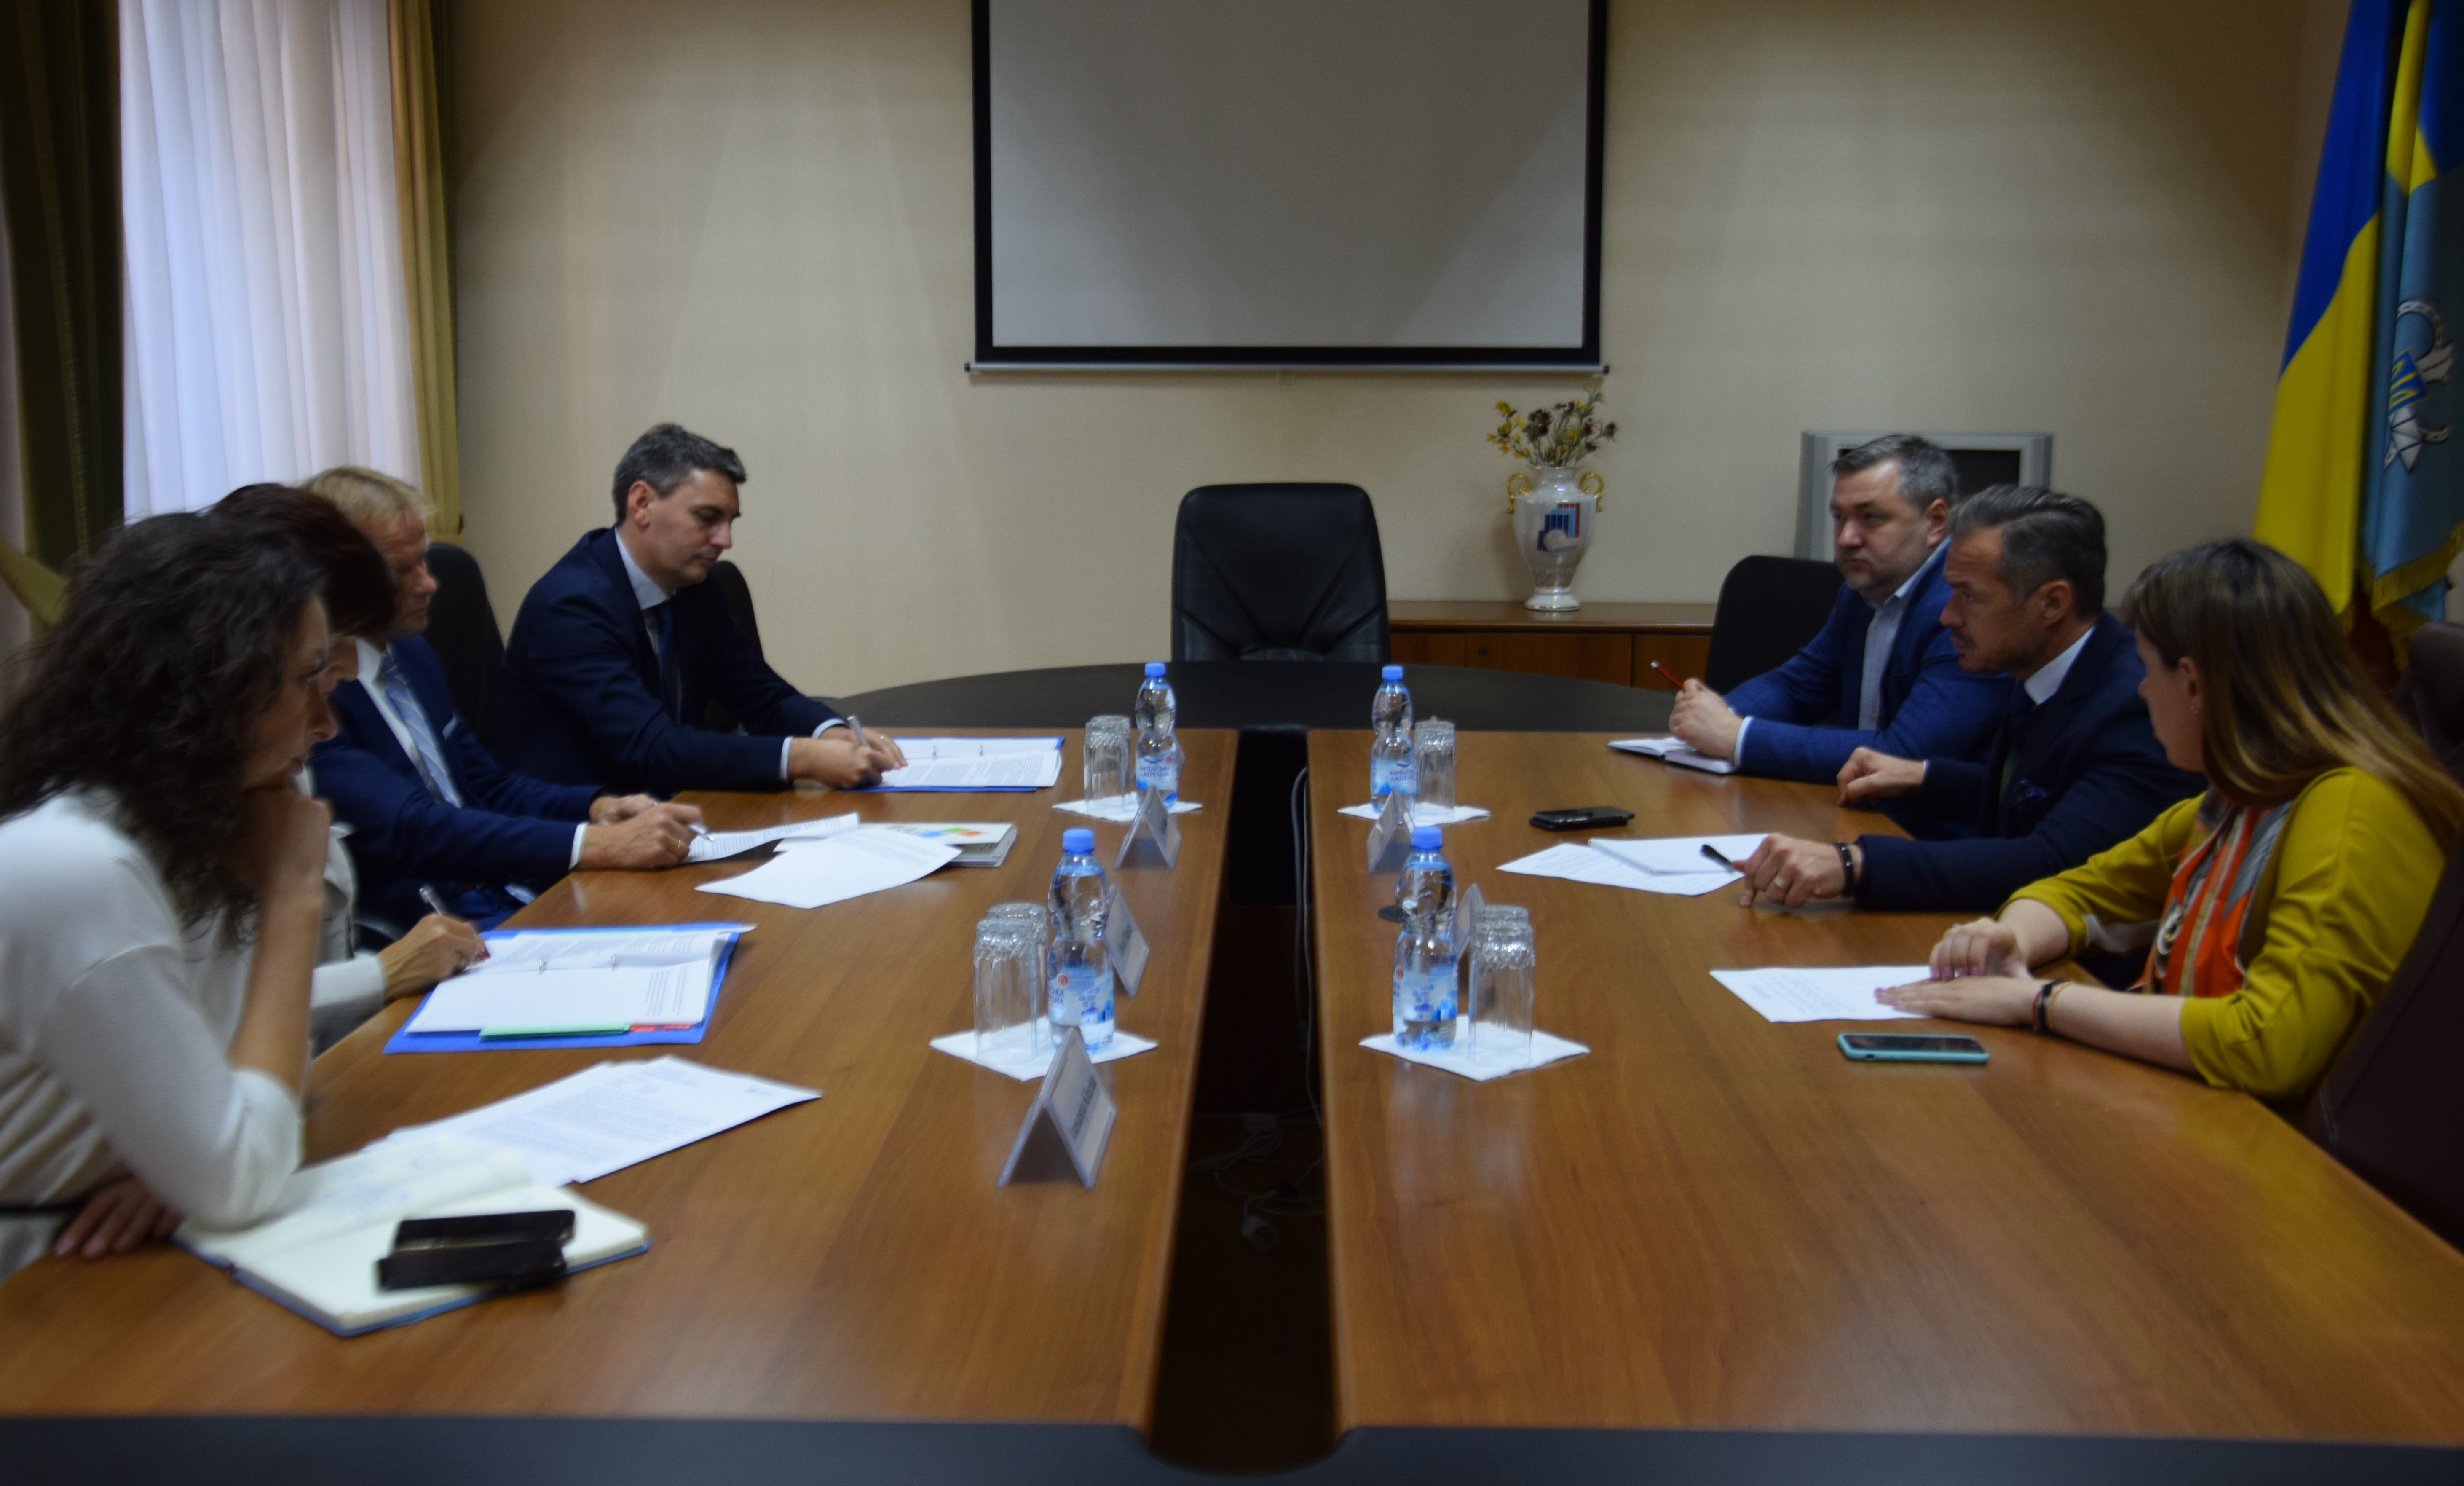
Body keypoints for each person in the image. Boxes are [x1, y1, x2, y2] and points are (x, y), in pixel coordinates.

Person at [1880, 540, 2464, 1102]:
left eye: (2145, 669)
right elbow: (2080, 889)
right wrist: (2014, 939)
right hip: (2208, 1104)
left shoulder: (2349, 808)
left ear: (2192, 683)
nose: (2140, 690)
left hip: (2298, 1147)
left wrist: (2041, 1002)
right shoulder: (2241, 795)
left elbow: (2267, 1043)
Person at [0, 517, 336, 1277]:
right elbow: (238, 1174)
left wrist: (186, 1158)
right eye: (306, 679)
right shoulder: (75, 867)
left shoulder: (192, 829)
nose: (326, 721)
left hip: (119, 1255)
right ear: (210, 693)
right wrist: (292, 897)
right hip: (38, 1278)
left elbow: (263, 1089)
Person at [1736, 487, 2199, 917]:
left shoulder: (2137, 704)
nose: (1947, 616)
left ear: (2052, 603)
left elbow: (2054, 859)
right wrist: (1925, 777)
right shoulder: (2042, 659)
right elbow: (2039, 792)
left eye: (1969, 596)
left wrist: (1854, 864)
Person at [303, 467, 706, 933]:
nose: (429, 583)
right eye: (401, 570)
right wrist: (595, 845)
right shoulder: (316, 695)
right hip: (431, 930)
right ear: (339, 581)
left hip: (507, 893)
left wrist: (596, 808)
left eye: (424, 560)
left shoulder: (411, 654)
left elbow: (485, 785)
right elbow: (415, 829)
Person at [207, 484, 487, 1047]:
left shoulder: (287, 761)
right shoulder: (115, 845)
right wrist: (381, 974)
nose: (326, 721)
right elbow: (216, 1021)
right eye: (314, 673)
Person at [498, 424, 905, 795]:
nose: (725, 540)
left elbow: (762, 696)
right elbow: (651, 749)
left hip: (675, 813)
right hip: (579, 831)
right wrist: (804, 758)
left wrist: (829, 734)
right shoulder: (572, 607)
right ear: (641, 503)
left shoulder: (696, 591)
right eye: (707, 518)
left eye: (730, 521)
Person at [1669, 434, 2010, 782]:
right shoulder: (1862, 592)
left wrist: (1737, 736)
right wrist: (1716, 712)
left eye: (1871, 518)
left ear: (1936, 521)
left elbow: (1903, 754)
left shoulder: (1963, 607)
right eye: (1839, 517)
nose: (1847, 538)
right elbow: (1796, 688)